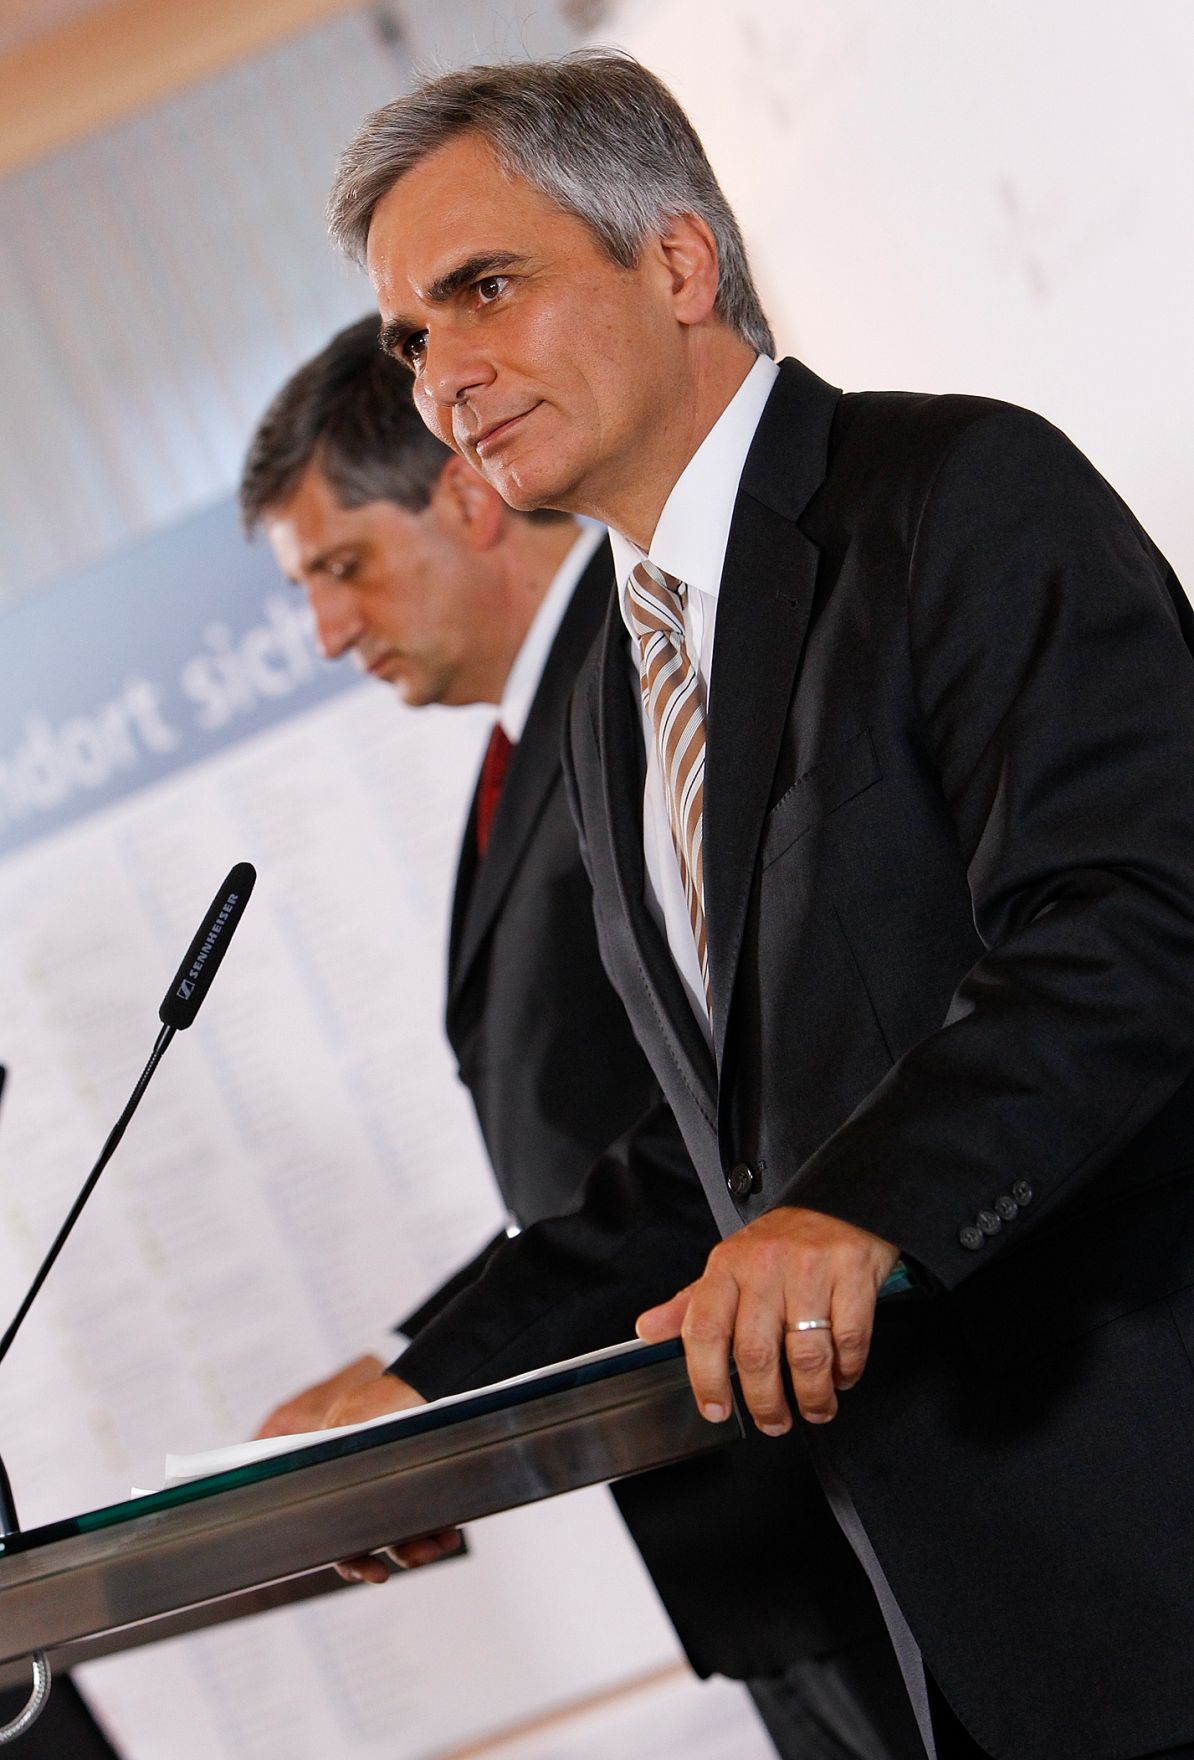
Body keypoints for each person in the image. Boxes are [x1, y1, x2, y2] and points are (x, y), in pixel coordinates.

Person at [322, 49, 1194, 1760]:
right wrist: (431, 1392)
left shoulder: (954, 492)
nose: (444, 377)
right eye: (411, 339)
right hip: (964, 1620)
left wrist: (860, 1209)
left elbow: (1132, 914)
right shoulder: (612, 687)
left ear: (675, 261)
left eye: (484, 288)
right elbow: (716, 1148)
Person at [240, 317, 923, 1760]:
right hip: (749, 1524)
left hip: (855, 1491)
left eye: (342, 567)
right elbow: (594, 1158)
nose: (329, 635)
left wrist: (433, 1387)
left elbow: (713, 1127)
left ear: (466, 498)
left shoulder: (647, 686)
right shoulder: (546, 738)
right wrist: (409, 1376)